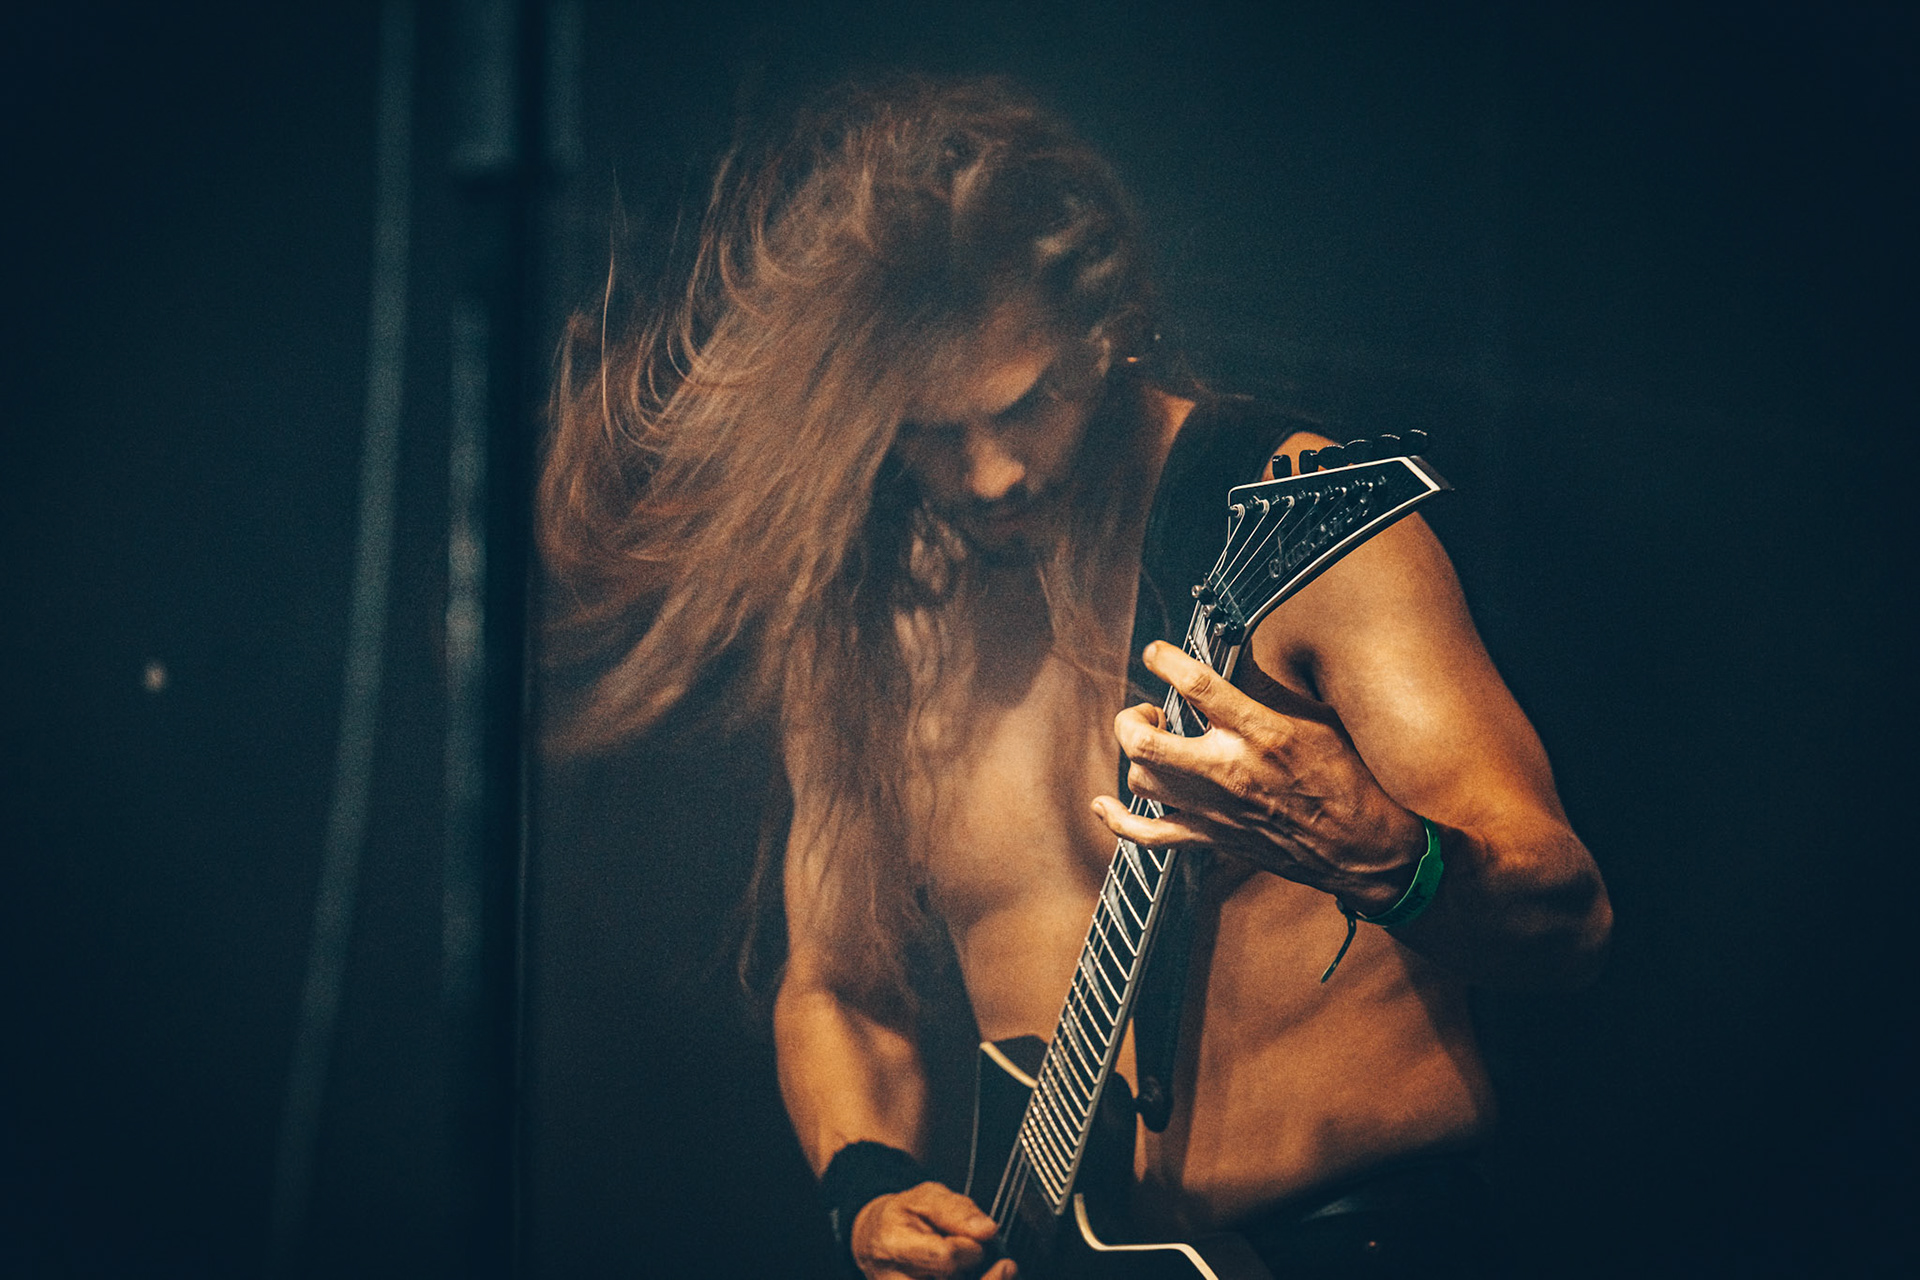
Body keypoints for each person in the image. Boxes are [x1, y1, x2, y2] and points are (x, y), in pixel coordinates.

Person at [540, 74, 1611, 1279]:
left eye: (1027, 400)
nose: (989, 470)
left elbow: (1567, 921)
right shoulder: (882, 627)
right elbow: (838, 987)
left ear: (1108, 332)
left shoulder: (1297, 525)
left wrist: (1378, 849)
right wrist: (867, 1186)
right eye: (932, 429)